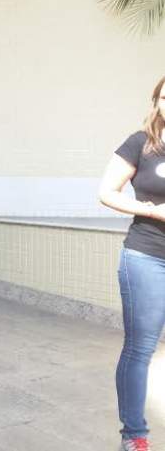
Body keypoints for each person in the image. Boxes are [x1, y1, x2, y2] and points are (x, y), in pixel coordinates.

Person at [99, 75, 165, 451]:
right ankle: (134, 435)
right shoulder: (141, 144)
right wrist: (153, 211)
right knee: (140, 348)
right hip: (147, 256)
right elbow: (106, 191)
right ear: (156, 101)